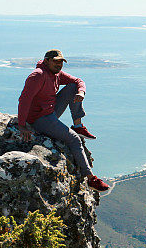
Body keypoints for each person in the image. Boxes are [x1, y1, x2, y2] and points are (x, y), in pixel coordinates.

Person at [17, 49, 110, 191]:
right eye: (55, 61)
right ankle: (91, 179)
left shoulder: (56, 74)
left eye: (61, 62)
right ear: (46, 60)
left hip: (50, 111)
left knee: (73, 87)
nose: (59, 65)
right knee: (74, 140)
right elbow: (24, 100)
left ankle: (78, 125)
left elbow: (79, 81)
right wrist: (22, 125)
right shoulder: (38, 76)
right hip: (40, 118)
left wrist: (81, 92)